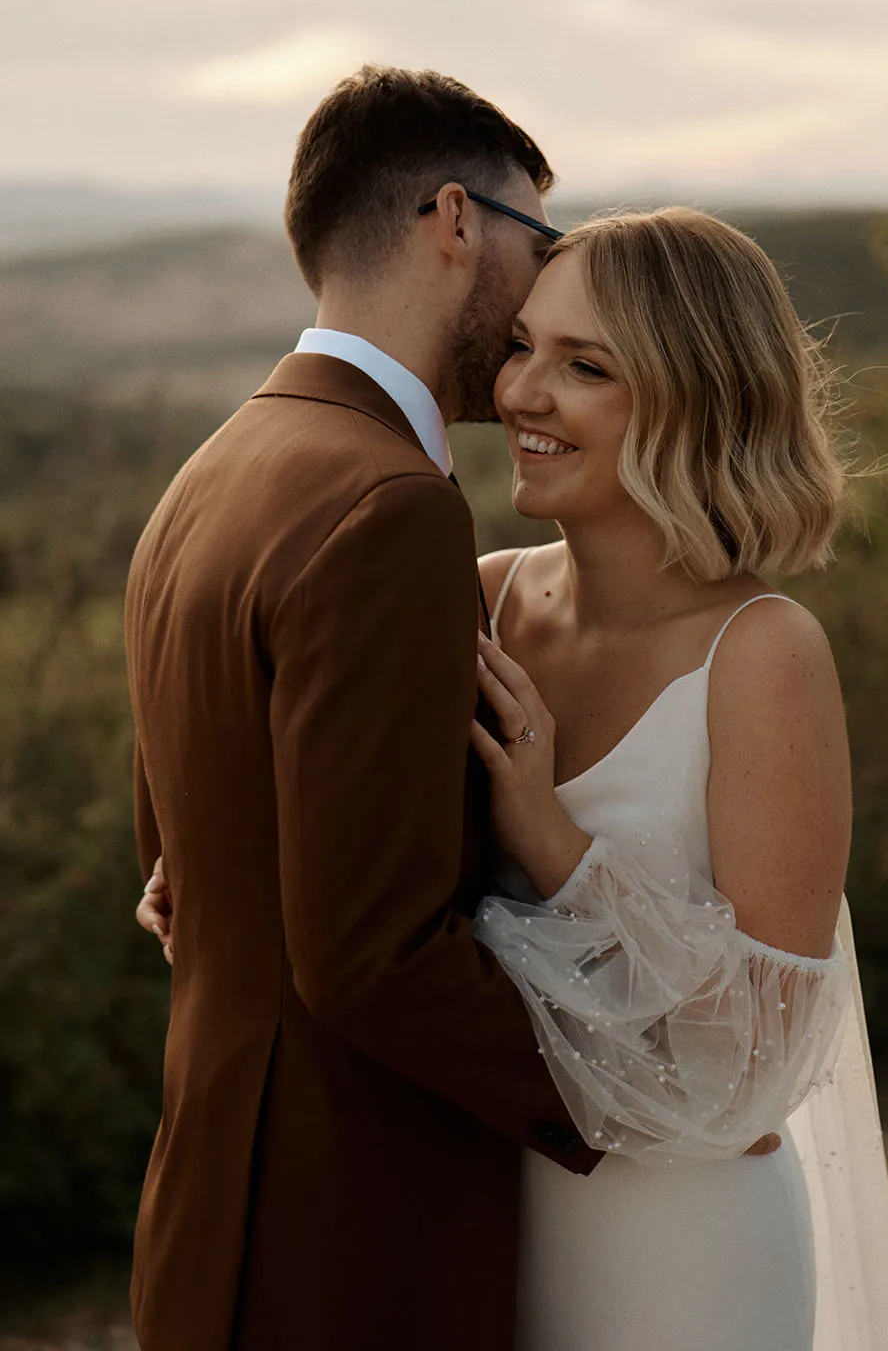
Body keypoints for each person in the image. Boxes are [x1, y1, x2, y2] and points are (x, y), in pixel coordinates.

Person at [137, 118, 888, 1345]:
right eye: (518, 348)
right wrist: (224, 856)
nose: (518, 394)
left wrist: (549, 837)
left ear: (694, 397)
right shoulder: (479, 591)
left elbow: (759, 1061)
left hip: (677, 1232)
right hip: (484, 1207)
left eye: (584, 367)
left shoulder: (761, 653)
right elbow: (355, 872)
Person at [125, 65, 615, 1351]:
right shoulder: (391, 506)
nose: (542, 287)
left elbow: (172, 858)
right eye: (539, 239)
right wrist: (614, 1096)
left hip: (209, 1205)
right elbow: (368, 954)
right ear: (453, 220)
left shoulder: (214, 469)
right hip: (352, 1233)